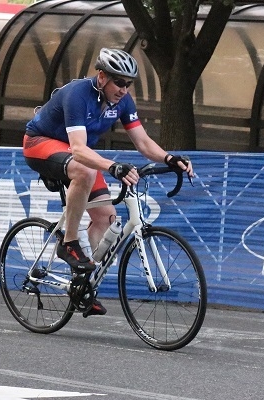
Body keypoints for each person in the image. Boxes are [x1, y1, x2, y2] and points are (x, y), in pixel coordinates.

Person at [22, 48, 193, 316]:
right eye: (119, 82)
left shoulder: (123, 103)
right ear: (102, 77)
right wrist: (113, 166)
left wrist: (169, 158)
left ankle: (82, 284)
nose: (124, 89)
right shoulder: (78, 94)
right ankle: (68, 244)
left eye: (129, 84)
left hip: (76, 156)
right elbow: (78, 149)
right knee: (86, 171)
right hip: (39, 144)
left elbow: (144, 143)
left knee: (107, 219)